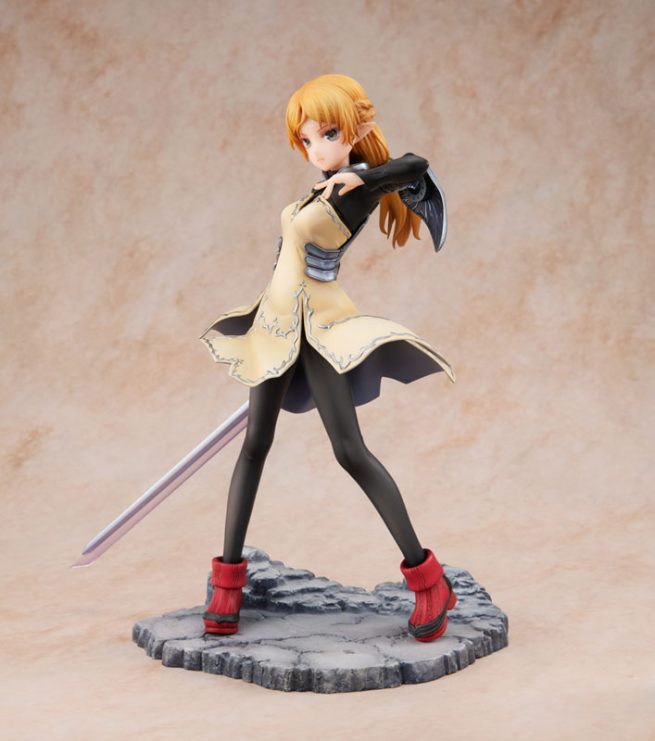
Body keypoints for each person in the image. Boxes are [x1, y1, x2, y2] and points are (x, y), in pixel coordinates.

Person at [200, 74, 457, 643]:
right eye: (307, 138)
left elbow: (415, 164)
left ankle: (429, 581)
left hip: (317, 327)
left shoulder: (354, 188)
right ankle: (227, 583)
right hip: (275, 322)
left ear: (357, 130)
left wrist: (364, 174)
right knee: (254, 444)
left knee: (349, 451)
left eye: (329, 134)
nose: (317, 149)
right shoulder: (316, 193)